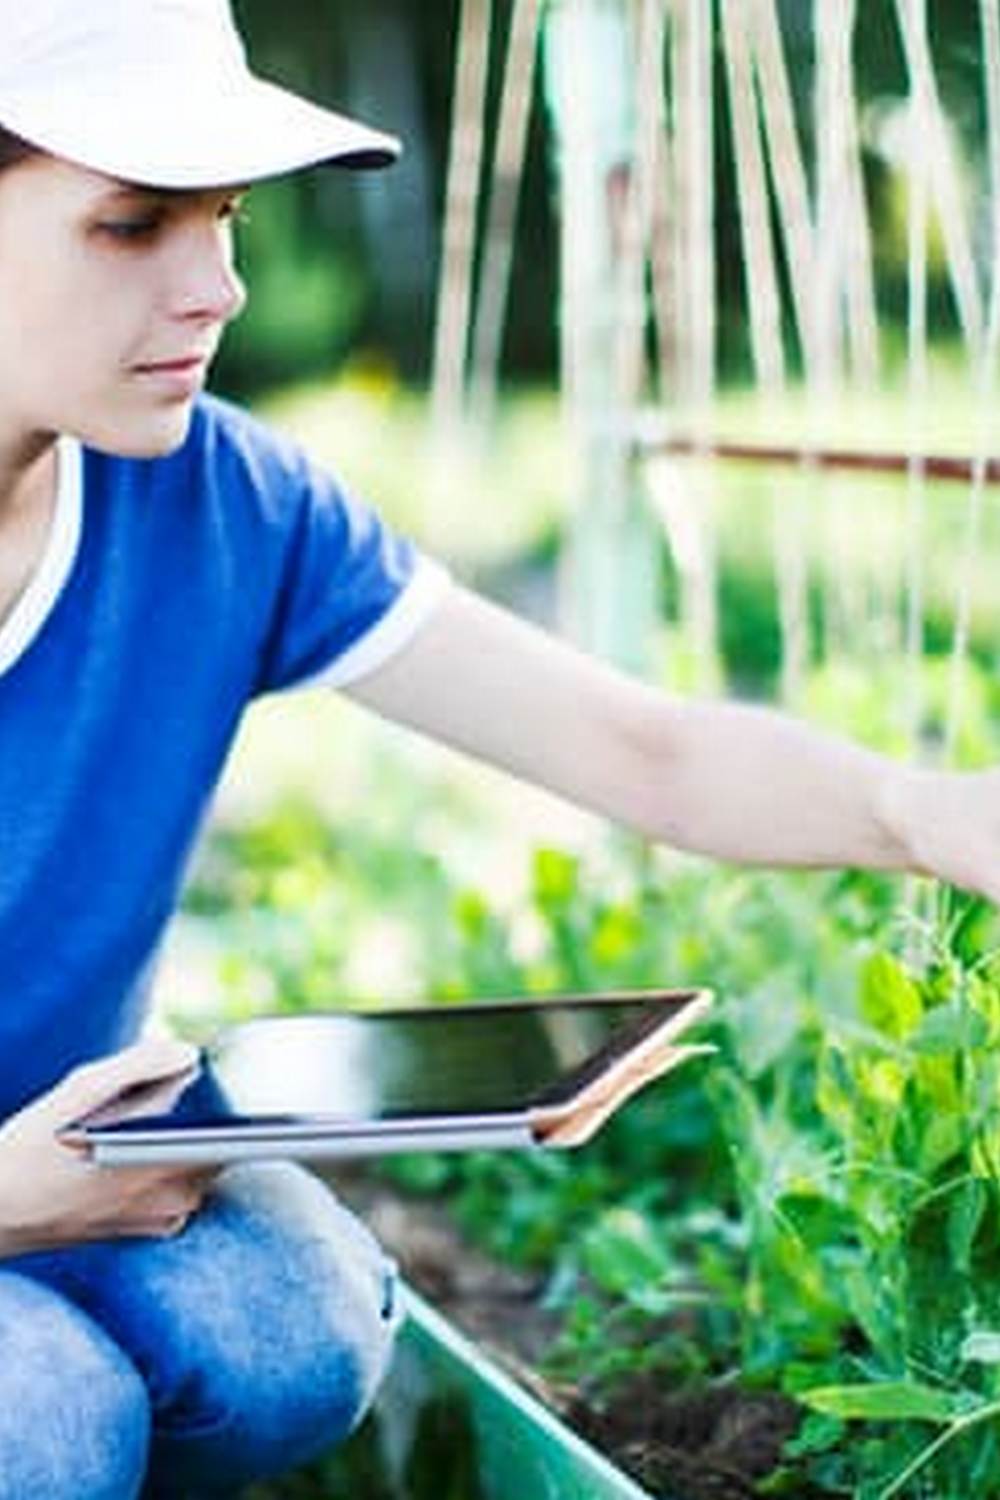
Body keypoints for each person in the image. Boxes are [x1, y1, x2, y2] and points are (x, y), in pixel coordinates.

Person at [1, 2, 1000, 1496]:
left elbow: (637, 747)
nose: (218, 284)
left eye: (225, 217)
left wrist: (930, 815)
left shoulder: (224, 506)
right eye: (134, 222)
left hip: (79, 1166)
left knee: (294, 1323)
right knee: (48, 1412)